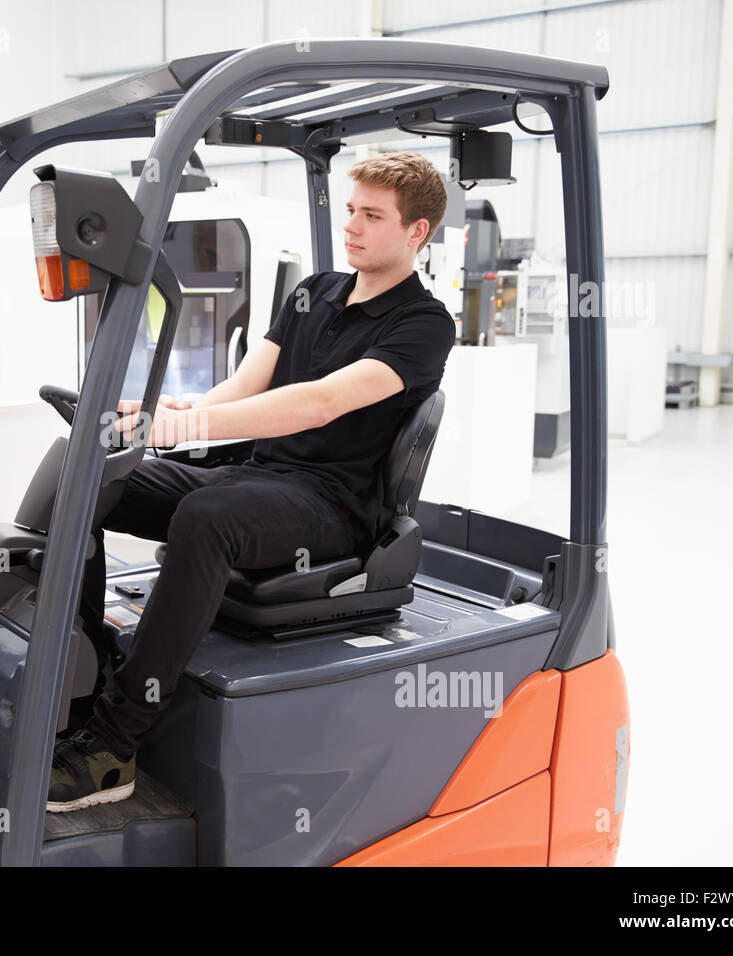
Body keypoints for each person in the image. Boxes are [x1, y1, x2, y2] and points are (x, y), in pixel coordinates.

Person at [47, 151, 456, 813]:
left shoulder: (424, 325)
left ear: (417, 233)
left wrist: (187, 429)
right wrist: (173, 414)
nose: (352, 225)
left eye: (372, 216)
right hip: (260, 473)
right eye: (351, 210)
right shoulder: (316, 291)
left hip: (331, 503)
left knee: (208, 517)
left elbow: (320, 402)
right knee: (95, 480)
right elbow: (246, 384)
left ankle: (113, 748)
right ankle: (86, 670)